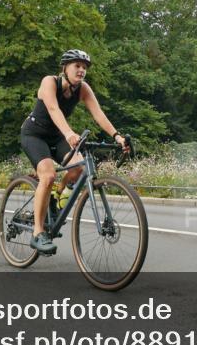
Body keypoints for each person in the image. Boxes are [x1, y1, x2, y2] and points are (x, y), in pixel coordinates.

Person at [20, 49, 128, 253]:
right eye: (77, 66)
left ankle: (56, 197)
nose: (81, 70)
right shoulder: (49, 82)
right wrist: (69, 133)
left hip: (57, 136)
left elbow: (98, 114)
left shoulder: (83, 89)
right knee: (48, 174)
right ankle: (37, 233)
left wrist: (117, 136)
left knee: (78, 169)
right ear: (65, 68)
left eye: (84, 67)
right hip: (34, 135)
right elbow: (53, 109)